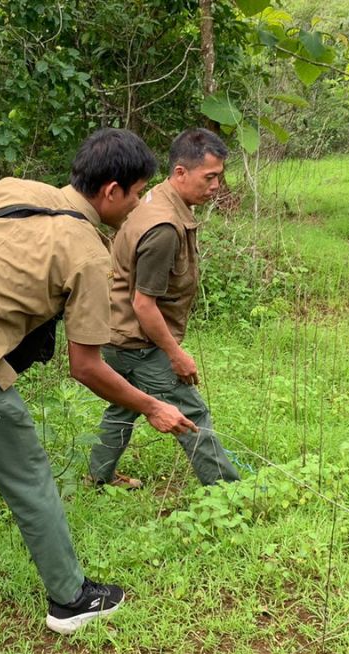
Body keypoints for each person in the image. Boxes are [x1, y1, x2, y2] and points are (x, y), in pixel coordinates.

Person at [0, 128, 198, 636]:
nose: (138, 205)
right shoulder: (89, 253)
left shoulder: (13, 188)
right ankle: (70, 599)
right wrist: (153, 406)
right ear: (111, 191)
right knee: (29, 476)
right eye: (136, 194)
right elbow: (86, 366)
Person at [87, 128, 240, 489]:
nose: (217, 185)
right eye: (210, 177)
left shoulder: (157, 198)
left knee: (124, 406)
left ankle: (97, 478)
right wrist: (175, 354)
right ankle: (230, 493)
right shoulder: (164, 228)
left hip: (116, 331)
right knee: (191, 412)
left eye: (220, 176)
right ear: (181, 173)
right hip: (138, 341)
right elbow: (144, 304)